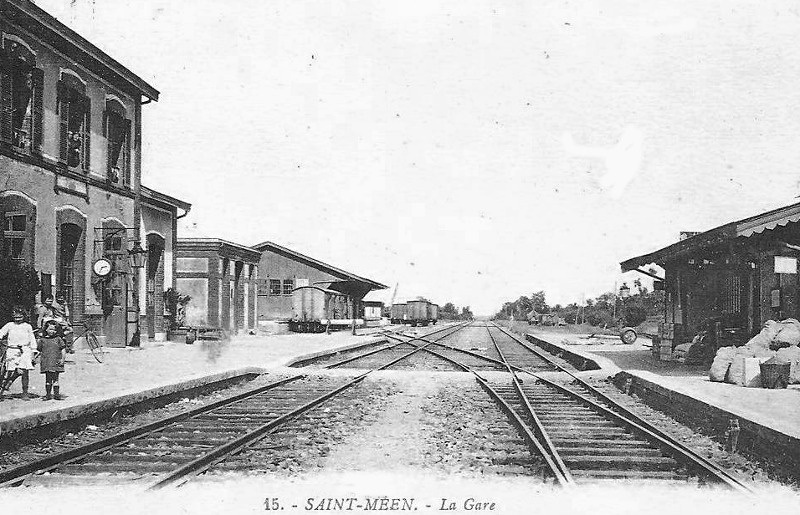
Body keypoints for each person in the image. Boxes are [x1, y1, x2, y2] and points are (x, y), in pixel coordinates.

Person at [0, 307, 38, 401]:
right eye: (15, 317)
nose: (17, 319)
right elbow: (1, 332)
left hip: (25, 350)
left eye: (20, 317)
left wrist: (33, 351)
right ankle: (2, 390)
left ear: (24, 316)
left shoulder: (27, 326)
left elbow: (32, 339)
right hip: (12, 350)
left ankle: (25, 392)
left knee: (25, 372)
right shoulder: (9, 325)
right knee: (7, 371)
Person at [37, 320, 66, 401]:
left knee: (56, 379)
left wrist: (62, 359)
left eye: (54, 329)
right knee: (48, 379)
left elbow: (63, 350)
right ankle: (48, 394)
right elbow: (39, 351)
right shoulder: (42, 340)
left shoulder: (58, 339)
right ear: (46, 329)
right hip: (46, 362)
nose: (52, 331)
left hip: (56, 361)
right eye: (50, 329)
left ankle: (56, 395)